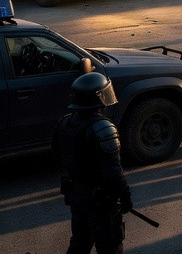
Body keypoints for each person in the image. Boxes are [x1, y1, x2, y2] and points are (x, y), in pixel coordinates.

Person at [55, 72, 131, 254]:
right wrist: (125, 197)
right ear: (98, 97)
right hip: (100, 202)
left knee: (80, 242)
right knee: (110, 246)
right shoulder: (103, 128)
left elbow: (58, 157)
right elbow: (113, 173)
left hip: (76, 196)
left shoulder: (65, 123)